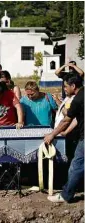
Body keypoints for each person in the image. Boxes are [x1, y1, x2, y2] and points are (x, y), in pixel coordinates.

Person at [44, 73, 84, 203]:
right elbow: (79, 118)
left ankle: (66, 195)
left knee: (76, 165)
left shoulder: (78, 99)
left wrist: (52, 134)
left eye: (66, 86)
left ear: (73, 85)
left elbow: (66, 120)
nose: (64, 89)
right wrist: (66, 132)